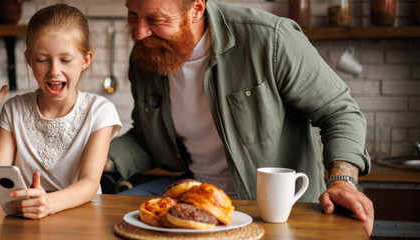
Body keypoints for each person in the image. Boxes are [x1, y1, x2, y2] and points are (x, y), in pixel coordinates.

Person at [105, 0, 374, 235]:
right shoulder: (148, 54)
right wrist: (96, 158)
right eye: (132, 15)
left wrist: (344, 182)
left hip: (275, 210)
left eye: (156, 19)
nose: (139, 33)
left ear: (197, 9)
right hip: (198, 204)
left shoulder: (270, 38)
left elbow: (339, 111)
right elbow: (148, 138)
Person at [0, 4, 122, 219]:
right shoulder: (14, 110)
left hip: (83, 221)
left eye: (65, 60)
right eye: (42, 60)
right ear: (29, 60)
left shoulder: (100, 111)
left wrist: (48, 203)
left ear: (85, 61)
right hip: (27, 220)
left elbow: (89, 183)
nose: (54, 71)